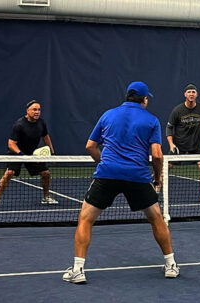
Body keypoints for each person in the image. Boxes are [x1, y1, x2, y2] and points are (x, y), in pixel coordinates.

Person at [62, 81, 179, 284]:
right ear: (144, 99)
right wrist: (157, 177)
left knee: (85, 219)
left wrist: (104, 163)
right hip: (138, 176)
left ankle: (78, 270)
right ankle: (170, 265)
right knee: (157, 218)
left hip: (107, 174)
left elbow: (90, 146)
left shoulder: (108, 115)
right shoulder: (151, 120)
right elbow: (158, 155)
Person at [0, 100, 58, 208]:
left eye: (39, 109)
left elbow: (46, 137)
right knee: (9, 173)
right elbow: (11, 143)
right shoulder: (19, 124)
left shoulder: (42, 123)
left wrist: (52, 152)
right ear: (27, 111)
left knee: (46, 173)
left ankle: (46, 197)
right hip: (16, 153)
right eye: (34, 109)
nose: (37, 112)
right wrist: (21, 154)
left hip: (31, 154)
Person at [166, 83, 200, 202]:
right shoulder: (178, 110)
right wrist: (171, 145)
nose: (191, 94)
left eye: (193, 92)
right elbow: (169, 128)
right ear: (185, 95)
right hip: (179, 145)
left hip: (196, 145)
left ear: (196, 94)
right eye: (189, 92)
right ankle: (155, 194)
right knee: (165, 168)